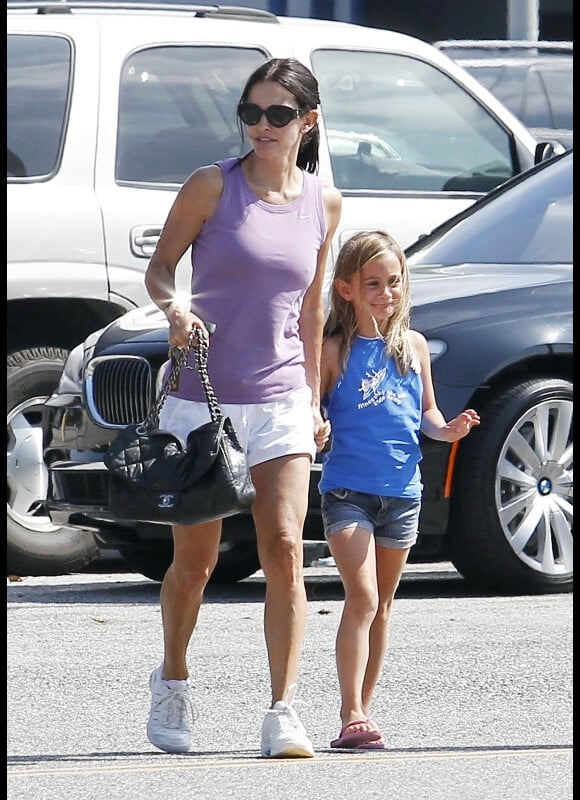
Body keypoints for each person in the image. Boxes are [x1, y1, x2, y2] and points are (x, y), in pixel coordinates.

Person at [143, 57, 342, 757]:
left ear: (307, 122)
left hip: (283, 395)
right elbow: (161, 267)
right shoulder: (211, 186)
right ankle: (172, 679)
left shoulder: (325, 201)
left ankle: (283, 709)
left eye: (278, 115)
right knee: (195, 564)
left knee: (286, 549)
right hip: (203, 397)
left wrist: (315, 397)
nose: (262, 125)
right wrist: (176, 309)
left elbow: (312, 308)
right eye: (252, 113)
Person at [318, 230, 480, 750]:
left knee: (382, 604)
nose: (386, 293)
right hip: (349, 491)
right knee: (361, 596)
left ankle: (363, 711)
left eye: (394, 282)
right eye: (373, 284)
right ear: (346, 289)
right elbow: (314, 408)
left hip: (403, 492)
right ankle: (350, 711)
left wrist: (447, 429)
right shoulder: (335, 350)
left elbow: (426, 414)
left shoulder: (412, 347)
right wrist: (316, 425)